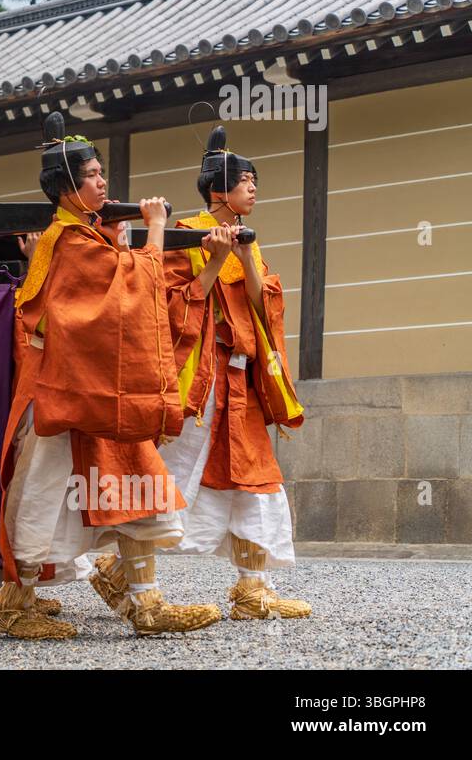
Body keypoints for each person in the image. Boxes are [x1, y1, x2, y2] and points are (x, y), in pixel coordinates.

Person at [0, 112, 223, 639]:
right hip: (62, 386)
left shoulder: (84, 237)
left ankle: (146, 603)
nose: (103, 182)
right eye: (94, 174)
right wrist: (158, 228)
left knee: (137, 477)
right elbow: (128, 296)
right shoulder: (67, 241)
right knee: (44, 491)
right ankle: (15, 602)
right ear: (70, 185)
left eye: (101, 173)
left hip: (94, 385)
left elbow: (124, 287)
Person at [155, 125, 309, 620]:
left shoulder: (250, 242)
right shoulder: (185, 233)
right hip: (200, 380)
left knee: (253, 478)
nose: (254, 188)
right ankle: (127, 574)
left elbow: (265, 313)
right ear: (218, 190)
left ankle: (253, 589)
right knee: (173, 473)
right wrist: (214, 258)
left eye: (255, 180)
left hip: (240, 379)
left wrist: (242, 256)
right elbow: (172, 306)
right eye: (245, 180)